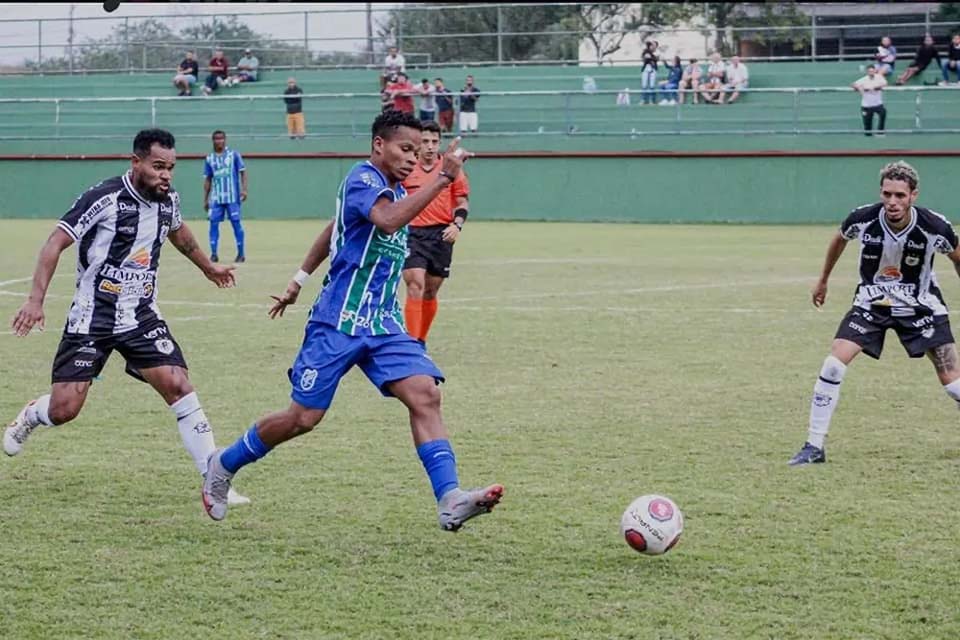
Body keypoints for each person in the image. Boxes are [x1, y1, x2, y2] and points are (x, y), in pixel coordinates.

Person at [201, 111, 503, 530]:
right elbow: (386, 220)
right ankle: (224, 463)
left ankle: (449, 497)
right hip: (337, 322)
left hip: (383, 323)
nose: (413, 159)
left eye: (418, 151)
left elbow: (333, 229)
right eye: (405, 149)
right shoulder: (364, 180)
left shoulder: (395, 190)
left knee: (425, 394)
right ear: (379, 144)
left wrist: (297, 280)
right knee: (301, 419)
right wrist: (442, 179)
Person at [4, 128, 249, 507]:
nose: (165, 175)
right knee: (64, 409)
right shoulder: (103, 198)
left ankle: (213, 480)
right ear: (135, 163)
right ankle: (32, 416)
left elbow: (179, 234)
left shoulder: (168, 202)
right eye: (157, 167)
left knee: (178, 384)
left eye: (170, 168)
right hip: (92, 317)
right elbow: (55, 242)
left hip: (140, 315)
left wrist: (208, 268)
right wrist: (35, 301)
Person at [789, 161, 960, 466]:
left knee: (952, 384)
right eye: (887, 194)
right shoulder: (863, 219)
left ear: (913, 196)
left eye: (900, 196)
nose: (892, 202)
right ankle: (814, 446)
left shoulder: (934, 227)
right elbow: (839, 239)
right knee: (832, 366)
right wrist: (823, 280)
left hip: (920, 306)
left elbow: (958, 257)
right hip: (871, 304)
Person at [401, 120, 470, 344]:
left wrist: (456, 225)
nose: (430, 146)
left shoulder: (451, 168)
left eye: (434, 141)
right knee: (415, 283)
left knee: (430, 291)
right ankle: (411, 344)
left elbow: (462, 201)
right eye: (425, 141)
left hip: (441, 235)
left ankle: (420, 339)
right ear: (417, 144)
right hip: (412, 233)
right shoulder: (407, 168)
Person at [203, 130, 247, 263]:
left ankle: (241, 254)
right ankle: (214, 254)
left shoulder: (233, 155)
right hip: (216, 198)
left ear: (225, 140)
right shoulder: (209, 158)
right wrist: (206, 198)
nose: (219, 141)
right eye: (216, 139)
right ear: (213, 141)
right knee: (213, 224)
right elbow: (208, 179)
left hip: (232, 197)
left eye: (221, 138)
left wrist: (244, 190)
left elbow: (243, 172)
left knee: (236, 223)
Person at [853, 64, 887, 137]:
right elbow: (853, 84)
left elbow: (885, 83)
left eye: (872, 71)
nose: (871, 72)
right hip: (866, 105)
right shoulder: (864, 79)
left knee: (883, 113)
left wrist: (875, 87)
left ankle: (880, 132)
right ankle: (868, 136)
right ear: (867, 72)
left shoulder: (879, 77)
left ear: (875, 71)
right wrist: (860, 89)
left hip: (878, 104)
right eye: (869, 71)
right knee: (867, 126)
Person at [640, 41, 658, 105]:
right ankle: (643, 100)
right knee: (644, 85)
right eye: (651, 45)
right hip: (646, 69)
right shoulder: (646, 51)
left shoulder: (657, 53)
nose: (652, 47)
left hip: (653, 69)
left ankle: (652, 100)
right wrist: (652, 58)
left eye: (654, 45)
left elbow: (655, 58)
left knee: (652, 86)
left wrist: (652, 58)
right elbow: (645, 57)